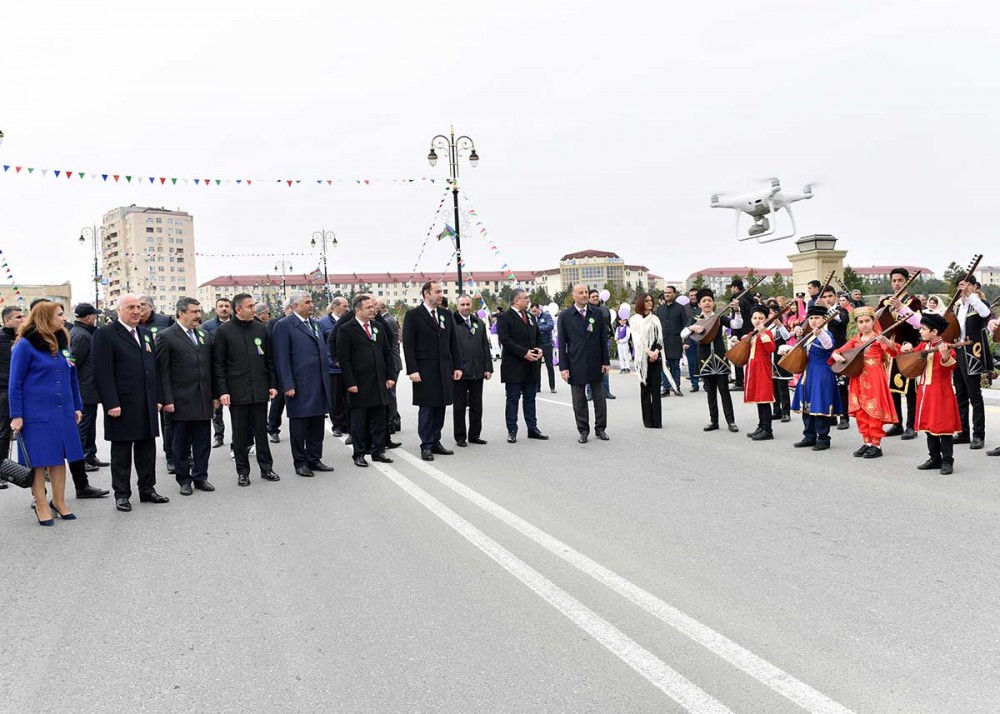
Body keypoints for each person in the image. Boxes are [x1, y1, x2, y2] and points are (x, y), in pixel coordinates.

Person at [8, 302, 84, 524]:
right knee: (39, 461)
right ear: (45, 317)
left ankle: (59, 501)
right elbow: (15, 383)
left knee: (59, 459)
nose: (63, 318)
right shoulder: (25, 345)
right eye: (59, 315)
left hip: (63, 410)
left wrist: (77, 405)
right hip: (36, 412)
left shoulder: (63, 341)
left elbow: (72, 376)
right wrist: (17, 414)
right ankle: (41, 503)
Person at [92, 294, 169, 512]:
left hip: (146, 402)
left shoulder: (145, 333)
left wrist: (158, 398)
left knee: (147, 449)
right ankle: (122, 494)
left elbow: (152, 368)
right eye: (131, 307)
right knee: (122, 452)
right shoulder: (105, 334)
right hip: (121, 404)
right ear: (119, 311)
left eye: (139, 307)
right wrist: (110, 403)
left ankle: (147, 489)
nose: (136, 311)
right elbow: (102, 372)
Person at [214, 293, 279, 485]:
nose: (254, 309)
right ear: (238, 309)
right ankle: (243, 472)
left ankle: (266, 468)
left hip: (259, 389)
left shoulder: (261, 329)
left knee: (261, 432)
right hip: (237, 391)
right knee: (240, 434)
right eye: (250, 306)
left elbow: (269, 359)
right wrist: (223, 390)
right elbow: (219, 364)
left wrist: (273, 384)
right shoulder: (224, 331)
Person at [155, 297, 217, 496]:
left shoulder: (203, 335)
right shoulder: (166, 336)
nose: (198, 316)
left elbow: (211, 367)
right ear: (181, 313)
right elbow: (162, 371)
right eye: (194, 312)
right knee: (180, 443)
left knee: (202, 441)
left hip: (203, 398)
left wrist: (214, 394)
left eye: (199, 312)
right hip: (179, 399)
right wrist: (167, 399)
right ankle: (184, 479)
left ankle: (200, 476)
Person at [272, 291, 334, 477]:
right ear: (295, 306)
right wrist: (287, 384)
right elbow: (281, 358)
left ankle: (314, 458)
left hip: (319, 382)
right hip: (300, 384)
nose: (311, 304)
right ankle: (300, 462)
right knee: (299, 425)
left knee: (317, 423)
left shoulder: (314, 324)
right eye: (307, 302)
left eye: (311, 301)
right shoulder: (284, 325)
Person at [403, 281, 463, 460]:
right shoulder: (413, 315)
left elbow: (453, 343)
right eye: (437, 292)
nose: (441, 295)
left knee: (441, 406)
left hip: (443, 368)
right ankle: (426, 444)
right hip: (424, 369)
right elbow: (408, 345)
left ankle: (436, 440)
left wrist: (457, 366)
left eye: (442, 292)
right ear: (426, 294)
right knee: (427, 407)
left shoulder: (445, 314)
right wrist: (412, 369)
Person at [831, 306, 899, 458]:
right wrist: (836, 356)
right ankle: (867, 441)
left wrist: (887, 341)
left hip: (875, 378)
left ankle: (876, 444)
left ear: (873, 321)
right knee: (861, 410)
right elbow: (838, 351)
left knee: (874, 410)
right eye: (860, 322)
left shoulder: (878, 338)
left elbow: (894, 352)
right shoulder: (855, 340)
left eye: (867, 321)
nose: (864, 324)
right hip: (857, 378)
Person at [337, 294, 395, 467]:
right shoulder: (346, 329)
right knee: (359, 422)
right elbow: (344, 359)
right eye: (368, 307)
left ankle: (378, 451)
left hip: (379, 381)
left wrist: (390, 376)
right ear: (358, 310)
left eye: (373, 307)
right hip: (359, 383)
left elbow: (387, 352)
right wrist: (350, 382)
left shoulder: (378, 327)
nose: (373, 310)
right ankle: (359, 453)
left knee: (379, 420)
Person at [902, 312, 961, 475]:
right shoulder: (923, 346)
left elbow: (950, 366)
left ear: (934, 332)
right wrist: (907, 348)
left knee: (943, 428)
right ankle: (934, 458)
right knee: (929, 427)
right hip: (924, 391)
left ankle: (947, 460)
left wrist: (945, 354)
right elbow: (913, 357)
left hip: (941, 393)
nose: (920, 331)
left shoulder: (947, 347)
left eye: (923, 329)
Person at [682, 288, 741, 433]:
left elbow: (736, 325)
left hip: (720, 358)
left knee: (724, 391)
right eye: (704, 301)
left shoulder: (719, 317)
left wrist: (737, 311)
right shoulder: (696, 319)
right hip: (705, 359)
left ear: (713, 303)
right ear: (700, 304)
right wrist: (692, 327)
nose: (707, 303)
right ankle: (714, 421)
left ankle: (731, 421)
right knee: (710, 392)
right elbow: (683, 333)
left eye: (709, 300)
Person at [558, 284, 612, 443]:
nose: (584, 295)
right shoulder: (566, 316)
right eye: (580, 292)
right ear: (573, 295)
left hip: (596, 362)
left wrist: (606, 361)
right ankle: (583, 430)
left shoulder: (597, 313)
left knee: (599, 398)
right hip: (576, 362)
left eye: (586, 292)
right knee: (579, 399)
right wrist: (563, 367)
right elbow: (562, 343)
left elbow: (603, 339)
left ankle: (600, 428)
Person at [497, 289, 547, 444]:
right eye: (525, 298)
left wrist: (539, 348)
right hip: (514, 365)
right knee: (513, 399)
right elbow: (505, 340)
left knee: (530, 398)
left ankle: (532, 428)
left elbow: (538, 336)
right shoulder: (504, 318)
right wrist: (524, 352)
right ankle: (512, 430)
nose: (528, 301)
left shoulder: (530, 316)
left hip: (531, 365)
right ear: (516, 300)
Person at [878, 269, 922, 441]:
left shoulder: (913, 301)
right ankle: (897, 423)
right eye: (894, 280)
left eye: (900, 280)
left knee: (910, 388)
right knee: (892, 388)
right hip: (888, 349)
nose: (896, 283)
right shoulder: (885, 301)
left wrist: (901, 308)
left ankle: (912, 425)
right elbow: (876, 320)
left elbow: (918, 323)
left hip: (906, 348)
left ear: (906, 281)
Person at [790, 305, 841, 451]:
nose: (813, 321)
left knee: (820, 405)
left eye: (817, 318)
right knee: (806, 406)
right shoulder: (809, 334)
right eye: (811, 318)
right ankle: (809, 436)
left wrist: (820, 334)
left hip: (821, 374)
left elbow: (828, 345)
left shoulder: (826, 334)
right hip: (808, 373)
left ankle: (823, 439)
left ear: (824, 319)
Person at [951, 278, 992, 450]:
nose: (963, 288)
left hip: (973, 352)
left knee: (974, 394)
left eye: (966, 284)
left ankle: (978, 435)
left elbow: (985, 314)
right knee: (960, 393)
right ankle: (963, 432)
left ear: (974, 286)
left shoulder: (978, 302)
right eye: (960, 285)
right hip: (959, 350)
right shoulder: (958, 305)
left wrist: (971, 296)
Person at [69, 303, 110, 472]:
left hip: (89, 387)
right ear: (88, 317)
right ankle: (82, 459)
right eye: (94, 315)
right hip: (84, 388)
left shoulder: (83, 332)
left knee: (90, 424)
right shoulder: (81, 335)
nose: (96, 318)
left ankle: (90, 455)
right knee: (84, 426)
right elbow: (73, 362)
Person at [139, 295, 176, 473]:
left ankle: (172, 456)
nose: (139, 309)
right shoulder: (132, 324)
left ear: (151, 307)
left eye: (143, 305)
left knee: (168, 419)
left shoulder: (165, 321)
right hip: (141, 377)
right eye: (137, 306)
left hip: (162, 374)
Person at [452, 294, 493, 447]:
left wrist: (488, 368)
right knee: (459, 406)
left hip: (477, 370)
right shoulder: (452, 323)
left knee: (477, 405)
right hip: (460, 372)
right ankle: (460, 436)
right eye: (462, 304)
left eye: (468, 304)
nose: (465, 307)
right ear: (457, 305)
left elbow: (485, 347)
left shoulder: (478, 323)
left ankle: (475, 435)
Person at [742, 305, 778, 441]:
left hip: (762, 368)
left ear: (766, 319)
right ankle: (761, 425)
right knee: (758, 398)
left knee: (764, 398)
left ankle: (767, 429)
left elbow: (771, 348)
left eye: (760, 318)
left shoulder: (767, 333)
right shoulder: (752, 333)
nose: (757, 320)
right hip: (753, 367)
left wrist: (763, 334)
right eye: (755, 318)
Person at [201, 297, 233, 448]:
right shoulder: (207, 326)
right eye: (221, 306)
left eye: (227, 306)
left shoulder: (236, 324)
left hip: (233, 370)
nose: (224, 308)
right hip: (215, 371)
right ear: (216, 309)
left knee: (236, 408)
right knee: (216, 407)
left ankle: (239, 438)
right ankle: (219, 436)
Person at [628, 293, 663, 429]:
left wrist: (656, 352)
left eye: (651, 301)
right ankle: (648, 421)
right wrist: (648, 352)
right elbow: (636, 339)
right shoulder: (635, 320)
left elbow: (660, 339)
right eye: (647, 301)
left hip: (656, 356)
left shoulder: (655, 319)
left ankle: (657, 420)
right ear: (641, 303)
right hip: (643, 358)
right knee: (645, 389)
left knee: (656, 388)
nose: (650, 303)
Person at [820, 286, 852, 431]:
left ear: (835, 297)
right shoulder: (819, 312)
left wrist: (827, 307)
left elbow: (842, 321)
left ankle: (844, 417)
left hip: (839, 352)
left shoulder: (841, 310)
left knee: (841, 386)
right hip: (824, 353)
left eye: (830, 296)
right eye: (825, 297)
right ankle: (831, 414)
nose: (828, 299)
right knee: (827, 385)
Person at [319, 297, 350, 436]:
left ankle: (347, 424)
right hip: (332, 367)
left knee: (349, 397)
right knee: (335, 398)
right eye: (344, 306)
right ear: (336, 307)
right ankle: (337, 425)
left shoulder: (349, 321)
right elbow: (321, 344)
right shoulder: (323, 323)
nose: (347, 308)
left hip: (348, 366)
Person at [0, 305, 25, 473]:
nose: (22, 320)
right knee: (4, 434)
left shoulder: (23, 340)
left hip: (21, 392)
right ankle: (2, 470)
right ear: (7, 321)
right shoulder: (1, 340)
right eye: (18, 317)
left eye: (23, 316)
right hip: (3, 391)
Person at [375, 298, 403, 434]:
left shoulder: (387, 321)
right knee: (389, 394)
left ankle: (392, 422)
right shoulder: (389, 319)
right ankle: (394, 419)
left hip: (392, 362)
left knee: (390, 394)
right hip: (392, 361)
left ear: (381, 309)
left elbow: (390, 345)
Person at [266, 299, 292, 442]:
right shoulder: (274, 323)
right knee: (278, 400)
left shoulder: (299, 323)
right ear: (288, 308)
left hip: (294, 367)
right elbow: (272, 346)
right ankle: (273, 428)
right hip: (279, 367)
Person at [654, 286, 686, 397]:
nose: (667, 294)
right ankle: (665, 388)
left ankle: (676, 387)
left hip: (676, 341)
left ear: (674, 294)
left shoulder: (681, 308)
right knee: (664, 366)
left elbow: (686, 325)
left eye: (669, 293)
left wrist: (685, 341)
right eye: (665, 292)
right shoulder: (659, 309)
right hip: (662, 343)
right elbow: (655, 327)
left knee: (675, 366)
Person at [586, 289, 616, 400]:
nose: (595, 298)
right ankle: (589, 392)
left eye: (596, 296)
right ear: (589, 298)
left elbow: (609, 323)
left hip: (604, 341)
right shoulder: (587, 310)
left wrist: (611, 334)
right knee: (589, 367)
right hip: (590, 342)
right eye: (593, 296)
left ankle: (606, 390)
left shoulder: (605, 309)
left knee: (605, 366)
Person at [767, 301, 793, 423]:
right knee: (773, 387)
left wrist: (779, 325)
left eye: (771, 313)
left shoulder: (781, 326)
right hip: (769, 359)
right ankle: (776, 410)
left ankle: (786, 412)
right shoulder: (766, 327)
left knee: (782, 387)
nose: (769, 315)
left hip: (779, 358)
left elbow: (787, 337)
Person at [728, 279, 755, 390]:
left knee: (738, 356)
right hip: (750, 329)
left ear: (735, 287)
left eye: (731, 287)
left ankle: (740, 382)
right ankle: (751, 381)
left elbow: (736, 317)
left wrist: (734, 334)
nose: (731, 290)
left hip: (740, 331)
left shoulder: (737, 300)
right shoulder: (750, 299)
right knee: (750, 356)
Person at [532, 304, 557, 394]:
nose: (533, 313)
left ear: (539, 309)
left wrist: (538, 329)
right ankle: (537, 387)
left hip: (547, 344)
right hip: (537, 345)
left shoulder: (546, 316)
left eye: (535, 311)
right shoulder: (531, 317)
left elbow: (550, 326)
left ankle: (552, 386)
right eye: (532, 311)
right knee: (536, 367)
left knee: (549, 366)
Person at [683, 288, 701, 393]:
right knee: (691, 362)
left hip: (702, 338)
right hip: (690, 339)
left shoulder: (702, 307)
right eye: (691, 295)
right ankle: (694, 384)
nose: (693, 297)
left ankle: (707, 384)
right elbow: (683, 326)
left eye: (695, 295)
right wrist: (685, 341)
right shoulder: (684, 309)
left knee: (703, 361)